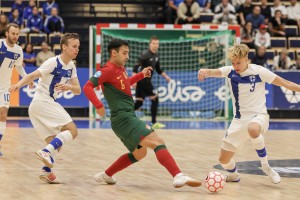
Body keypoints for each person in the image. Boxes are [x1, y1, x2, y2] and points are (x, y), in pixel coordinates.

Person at [83, 38, 201, 188]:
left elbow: (125, 84)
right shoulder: (106, 70)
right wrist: (99, 106)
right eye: (124, 53)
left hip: (125, 118)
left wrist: (141, 75)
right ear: (114, 53)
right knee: (157, 142)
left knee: (140, 154)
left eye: (128, 53)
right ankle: (178, 175)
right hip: (123, 118)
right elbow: (87, 86)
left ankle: (106, 175)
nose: (128, 56)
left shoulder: (120, 69)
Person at [197, 43, 300, 184]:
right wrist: (204, 71)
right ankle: (234, 176)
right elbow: (213, 72)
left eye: (238, 62)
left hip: (259, 116)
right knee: (223, 160)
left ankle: (266, 167)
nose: (235, 66)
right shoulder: (230, 71)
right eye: (233, 63)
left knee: (253, 128)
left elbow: (285, 83)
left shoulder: (259, 71)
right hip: (239, 120)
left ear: (246, 58)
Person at [9, 33, 81, 184]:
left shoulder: (72, 66)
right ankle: (46, 151)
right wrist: (18, 85)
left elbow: (78, 90)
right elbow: (32, 75)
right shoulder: (53, 62)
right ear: (64, 47)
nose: (77, 49)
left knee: (56, 142)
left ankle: (46, 172)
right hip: (43, 101)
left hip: (37, 106)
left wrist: (68, 86)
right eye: (74, 46)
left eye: (78, 47)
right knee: (72, 130)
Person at [0, 23, 33, 157]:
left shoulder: (18, 50)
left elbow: (19, 67)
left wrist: (27, 78)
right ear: (7, 33)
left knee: (3, 113)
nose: (15, 36)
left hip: (4, 87)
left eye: (17, 34)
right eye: (13, 33)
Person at [133, 36, 171, 129]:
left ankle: (122, 116)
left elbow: (158, 69)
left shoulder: (156, 55)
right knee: (155, 99)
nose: (155, 45)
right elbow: (135, 67)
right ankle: (154, 122)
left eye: (157, 43)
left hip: (144, 81)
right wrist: (134, 80)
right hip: (143, 81)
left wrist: (166, 76)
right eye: (153, 43)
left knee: (139, 102)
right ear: (150, 44)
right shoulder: (145, 54)